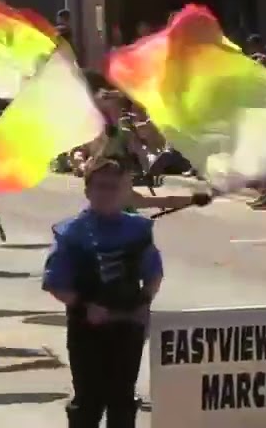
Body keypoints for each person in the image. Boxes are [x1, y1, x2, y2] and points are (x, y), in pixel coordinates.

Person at [43, 159, 163, 428]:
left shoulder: (138, 230)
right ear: (88, 190)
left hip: (129, 324)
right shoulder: (71, 233)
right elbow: (55, 283)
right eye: (101, 186)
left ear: (125, 191)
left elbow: (153, 273)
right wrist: (84, 305)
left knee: (123, 399)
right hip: (87, 327)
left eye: (114, 187)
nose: (107, 193)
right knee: (88, 402)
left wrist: (145, 301)